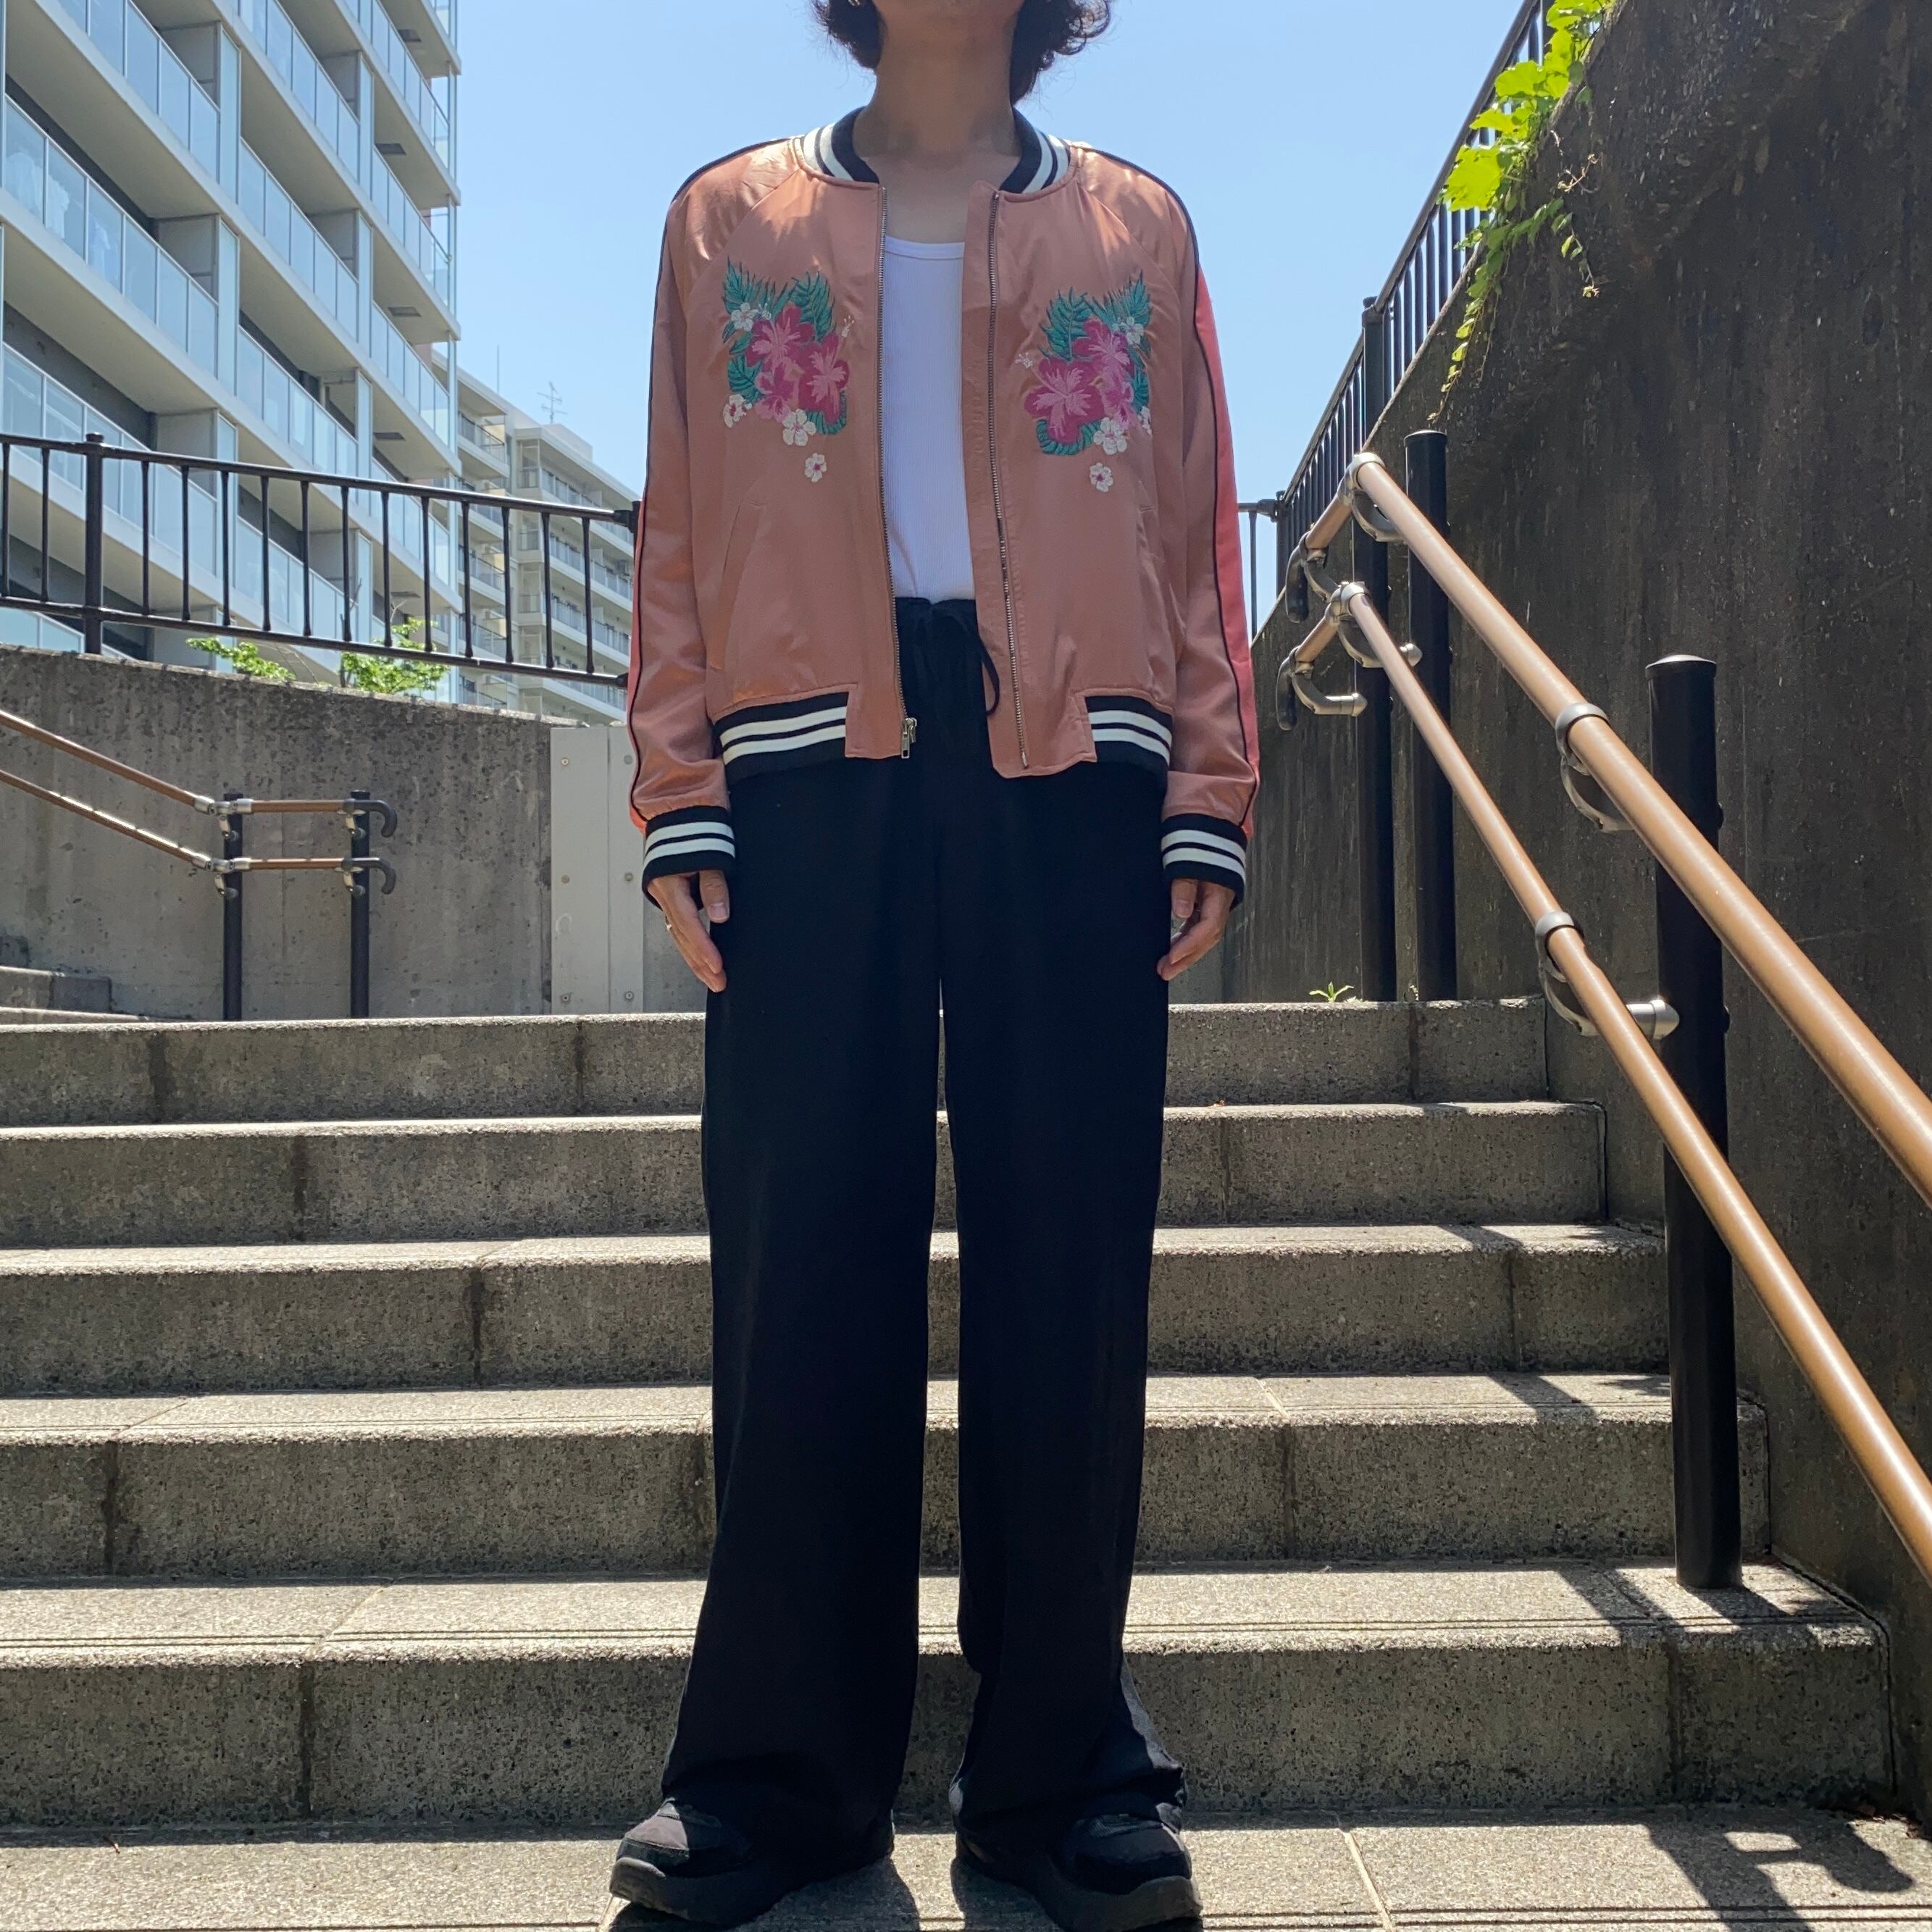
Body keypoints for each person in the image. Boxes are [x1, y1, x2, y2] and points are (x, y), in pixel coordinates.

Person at [613, 1, 1257, 1925]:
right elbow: (674, 522)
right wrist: (678, 785)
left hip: (1078, 765)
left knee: (1070, 1259)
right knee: (801, 1258)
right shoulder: (726, 217)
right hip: (804, 767)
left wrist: (1208, 786)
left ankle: (1060, 1777)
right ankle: (775, 1782)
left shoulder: (1134, 225)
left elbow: (1191, 523)